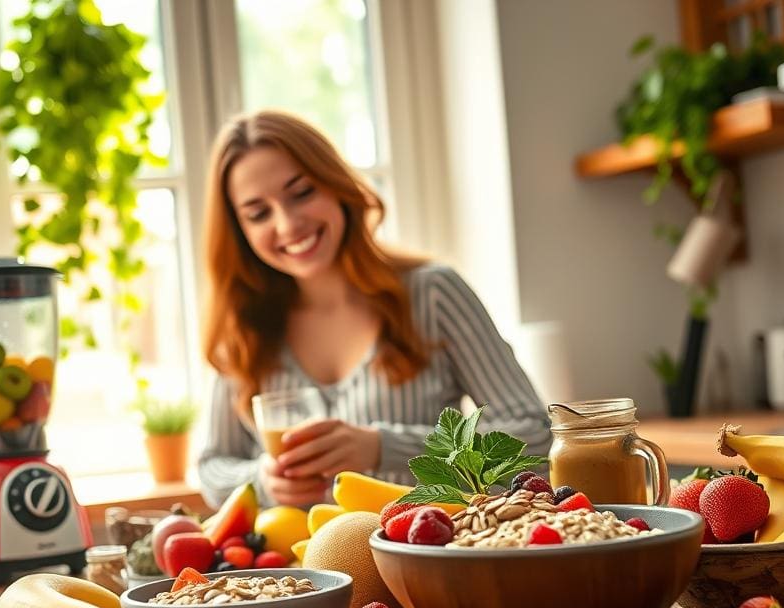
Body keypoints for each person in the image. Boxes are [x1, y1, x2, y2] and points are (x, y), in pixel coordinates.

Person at [196, 110, 551, 509]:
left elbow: (535, 436)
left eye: (302, 192)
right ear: (239, 231)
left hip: (426, 561)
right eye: (258, 213)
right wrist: (262, 480)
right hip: (304, 571)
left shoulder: (431, 294)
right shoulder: (246, 327)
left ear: (335, 186)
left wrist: (383, 447)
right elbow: (212, 467)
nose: (288, 223)